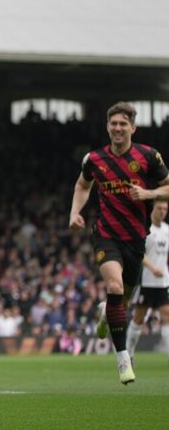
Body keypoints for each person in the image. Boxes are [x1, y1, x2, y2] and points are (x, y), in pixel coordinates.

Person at [69, 101, 169, 385]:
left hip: (136, 239)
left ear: (133, 128)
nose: (117, 128)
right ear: (107, 127)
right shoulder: (94, 159)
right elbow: (82, 185)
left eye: (123, 123)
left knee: (120, 301)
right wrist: (75, 212)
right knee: (113, 286)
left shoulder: (149, 156)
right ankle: (123, 359)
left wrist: (148, 195)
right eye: (113, 123)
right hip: (106, 234)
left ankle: (105, 311)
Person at [126, 199, 169, 361]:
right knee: (139, 317)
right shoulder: (145, 228)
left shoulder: (167, 229)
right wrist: (152, 268)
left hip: (163, 281)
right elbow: (140, 253)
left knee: (167, 315)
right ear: (153, 209)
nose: (162, 212)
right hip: (147, 280)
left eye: (165, 209)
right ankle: (129, 353)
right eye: (160, 208)